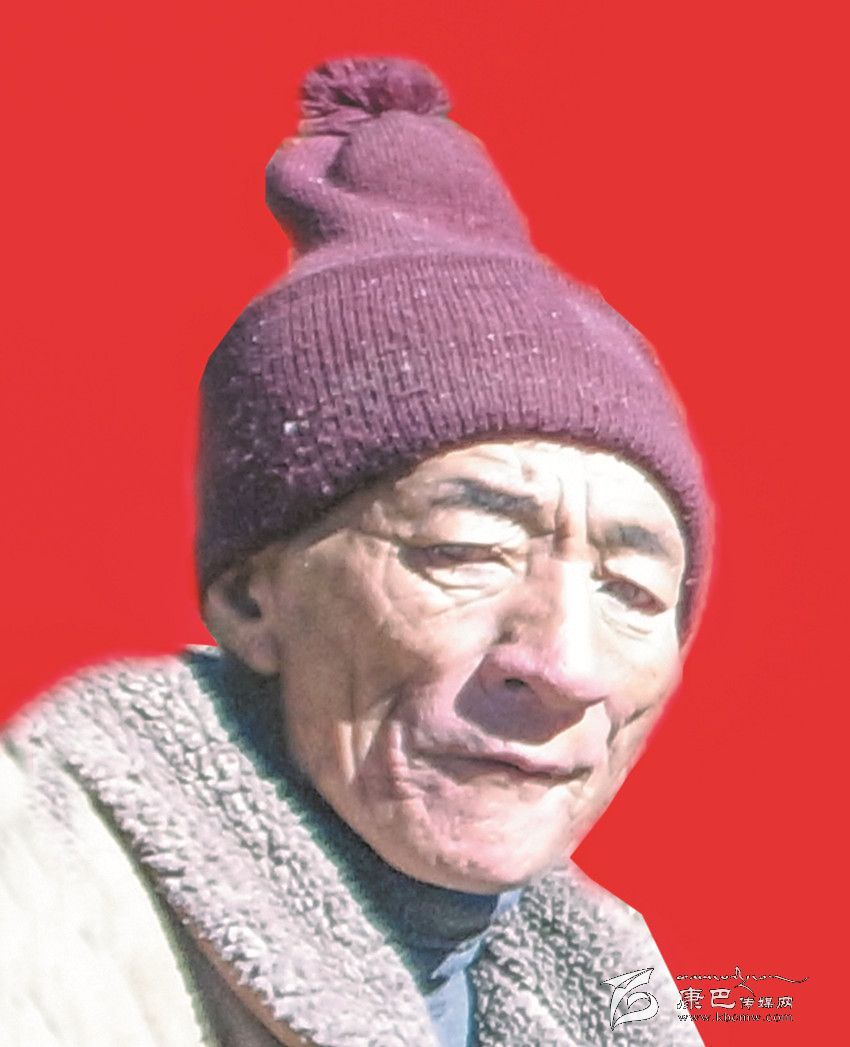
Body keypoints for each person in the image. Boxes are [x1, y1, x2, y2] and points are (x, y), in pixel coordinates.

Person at [0, 56, 710, 1046]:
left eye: (632, 589)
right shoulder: (39, 911)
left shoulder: (614, 989)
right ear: (252, 599)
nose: (565, 664)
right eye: (464, 550)